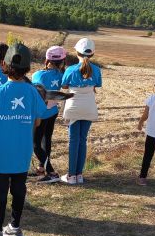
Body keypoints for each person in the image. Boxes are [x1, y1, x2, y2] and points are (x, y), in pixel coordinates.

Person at [0, 43, 46, 236]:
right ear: (27, 68)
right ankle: (15, 229)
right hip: (22, 152)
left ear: (4, 65)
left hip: (1, 152)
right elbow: (38, 120)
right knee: (19, 189)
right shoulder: (33, 92)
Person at [61, 38, 102, 185]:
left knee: (73, 140)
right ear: (92, 54)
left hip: (73, 106)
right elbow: (97, 84)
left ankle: (71, 175)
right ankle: (79, 175)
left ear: (76, 52)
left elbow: (64, 86)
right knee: (83, 140)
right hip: (89, 106)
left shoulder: (70, 70)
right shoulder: (96, 70)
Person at [30, 46, 66, 183]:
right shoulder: (61, 75)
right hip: (53, 112)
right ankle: (41, 168)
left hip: (40, 114)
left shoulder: (38, 75)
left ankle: (51, 171)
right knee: (47, 140)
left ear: (47, 59)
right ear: (62, 61)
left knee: (35, 144)